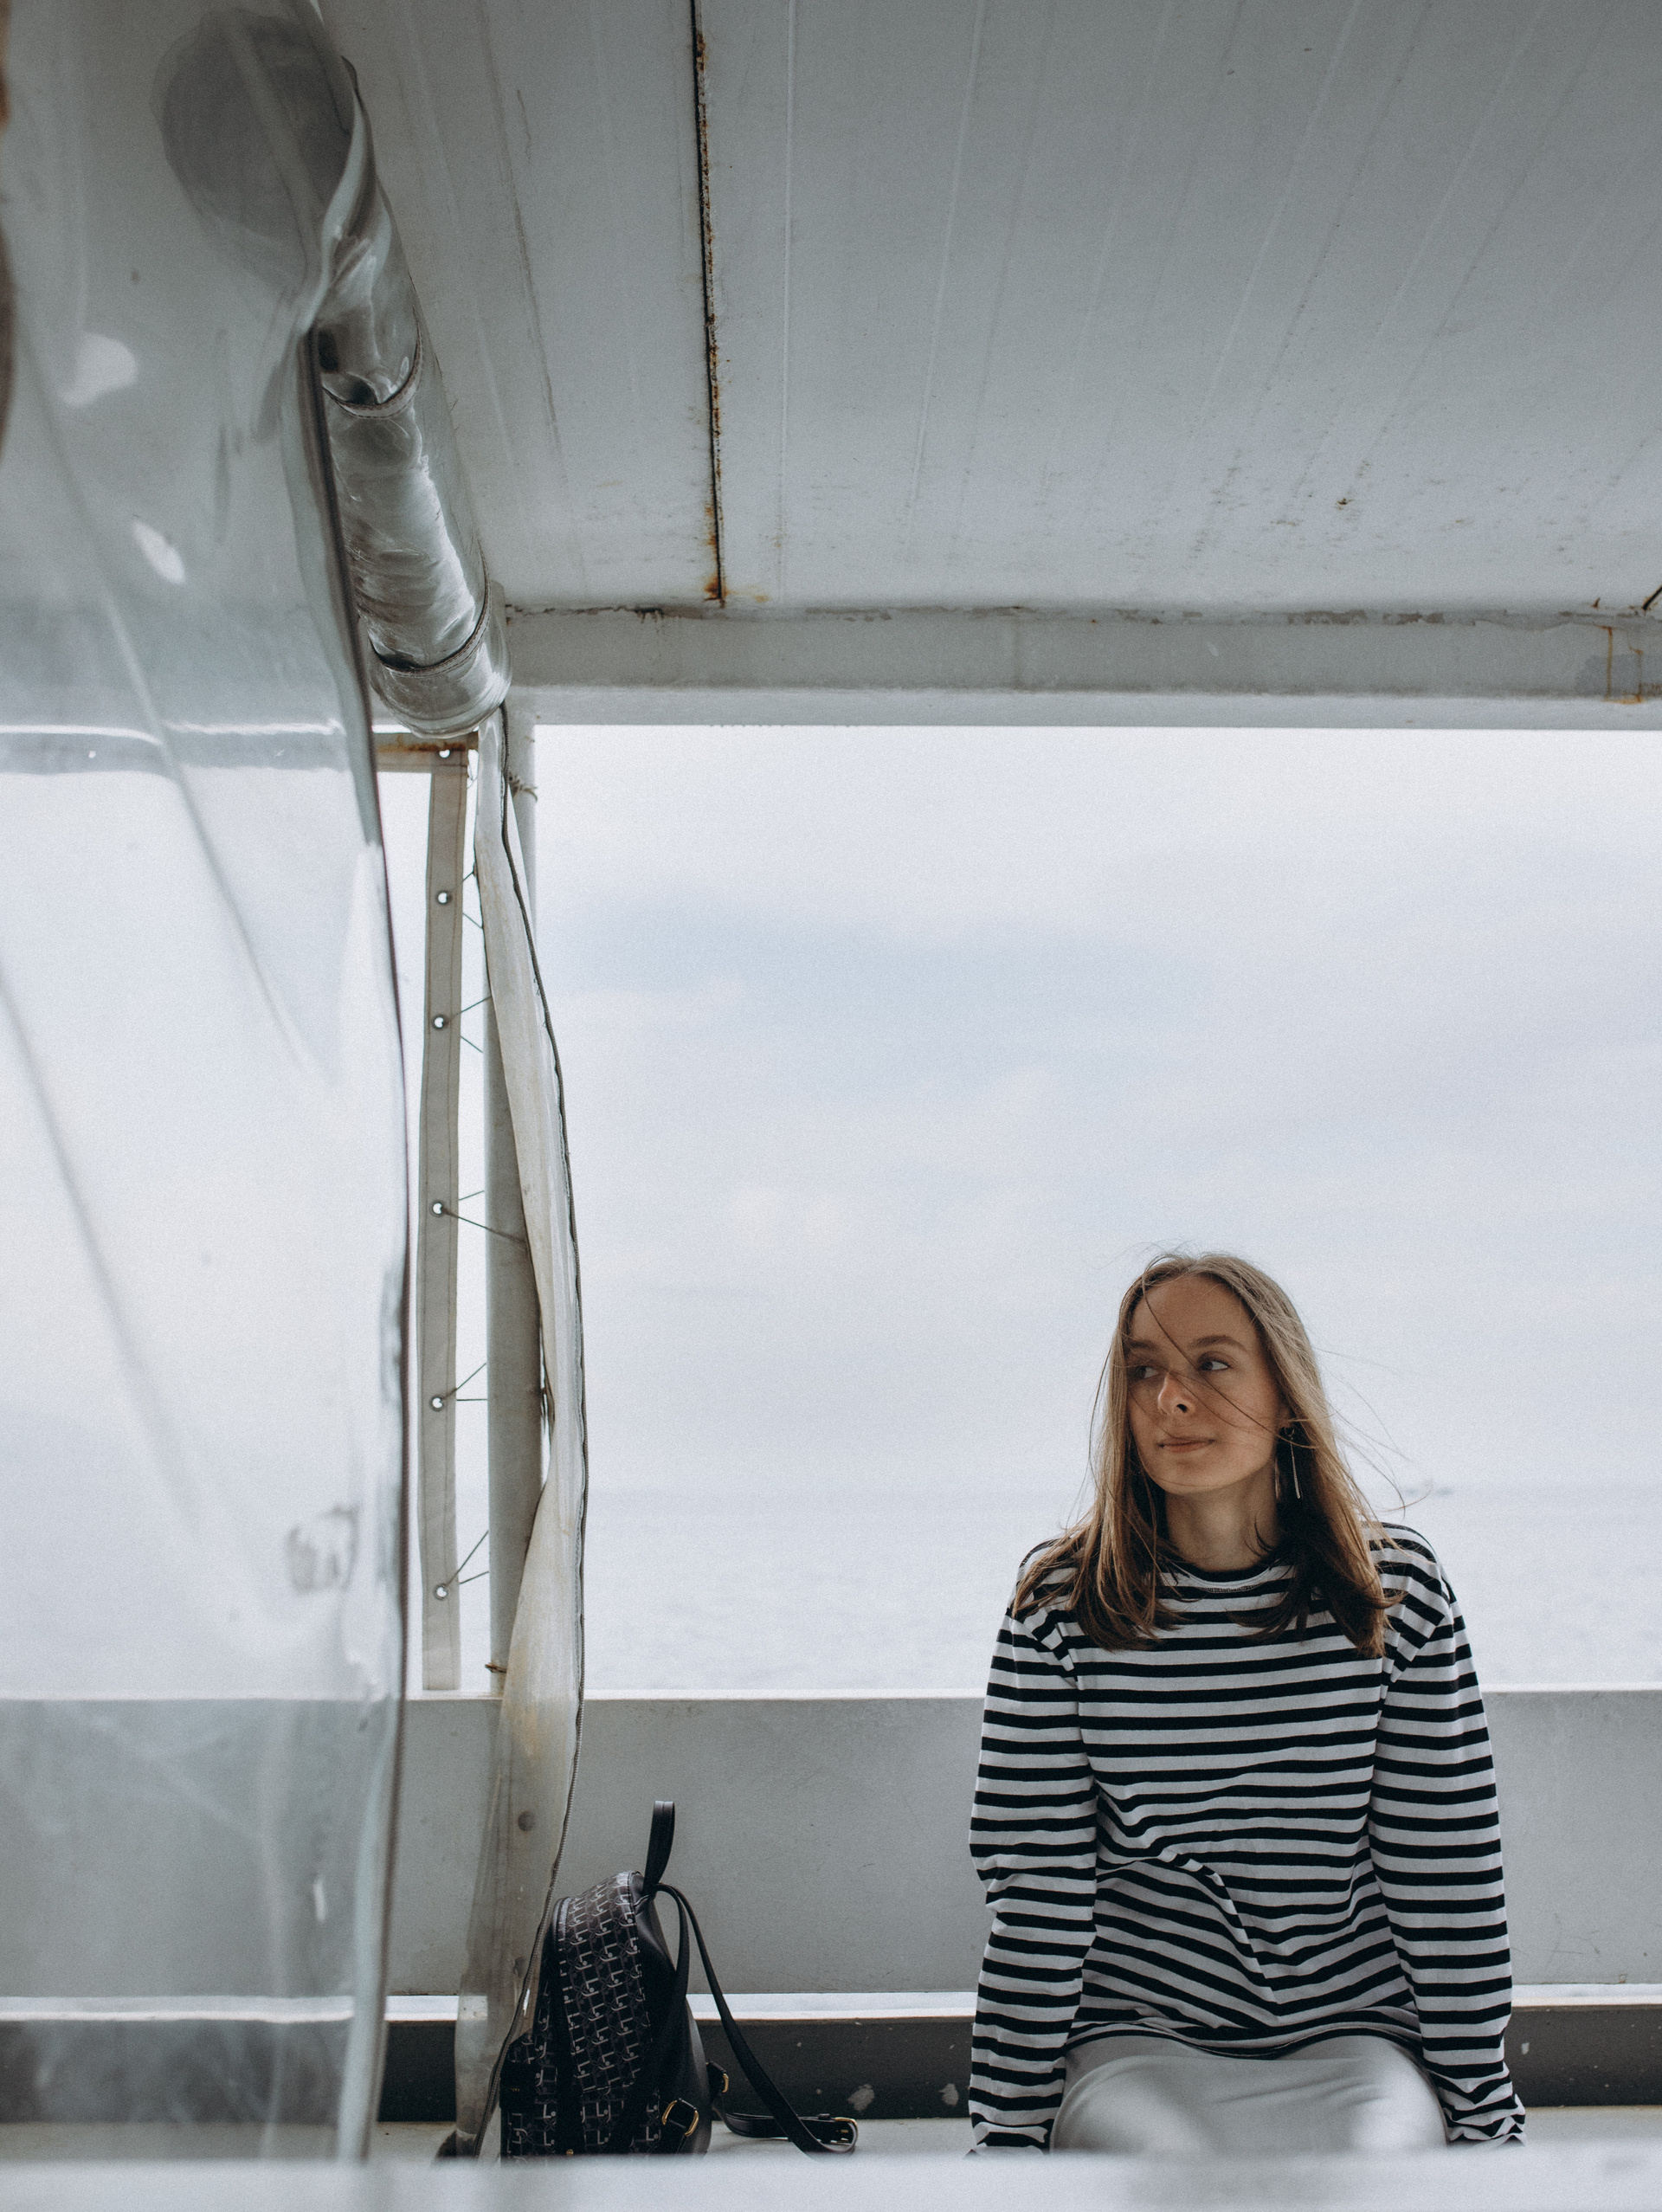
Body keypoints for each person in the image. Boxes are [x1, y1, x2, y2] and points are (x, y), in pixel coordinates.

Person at [968, 1252, 1524, 2155]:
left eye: (1213, 1362)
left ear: (1287, 1393)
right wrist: (1008, 2129)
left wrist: (1486, 2114)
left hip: (1355, 2040)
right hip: (1137, 2042)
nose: (1170, 1398)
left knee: (1364, 2180)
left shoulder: (1396, 1595)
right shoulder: (1064, 1605)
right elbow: (1039, 1890)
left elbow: (1446, 1870)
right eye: (1143, 1369)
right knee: (1178, 2183)